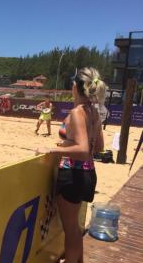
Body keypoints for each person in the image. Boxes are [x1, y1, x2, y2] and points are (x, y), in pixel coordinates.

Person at [36, 67, 106, 263]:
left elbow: (83, 150)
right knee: (74, 227)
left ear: (75, 87)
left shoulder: (77, 112)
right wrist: (68, 143)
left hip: (73, 173)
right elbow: (98, 146)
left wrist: (53, 150)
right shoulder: (93, 111)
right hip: (88, 173)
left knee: (71, 230)